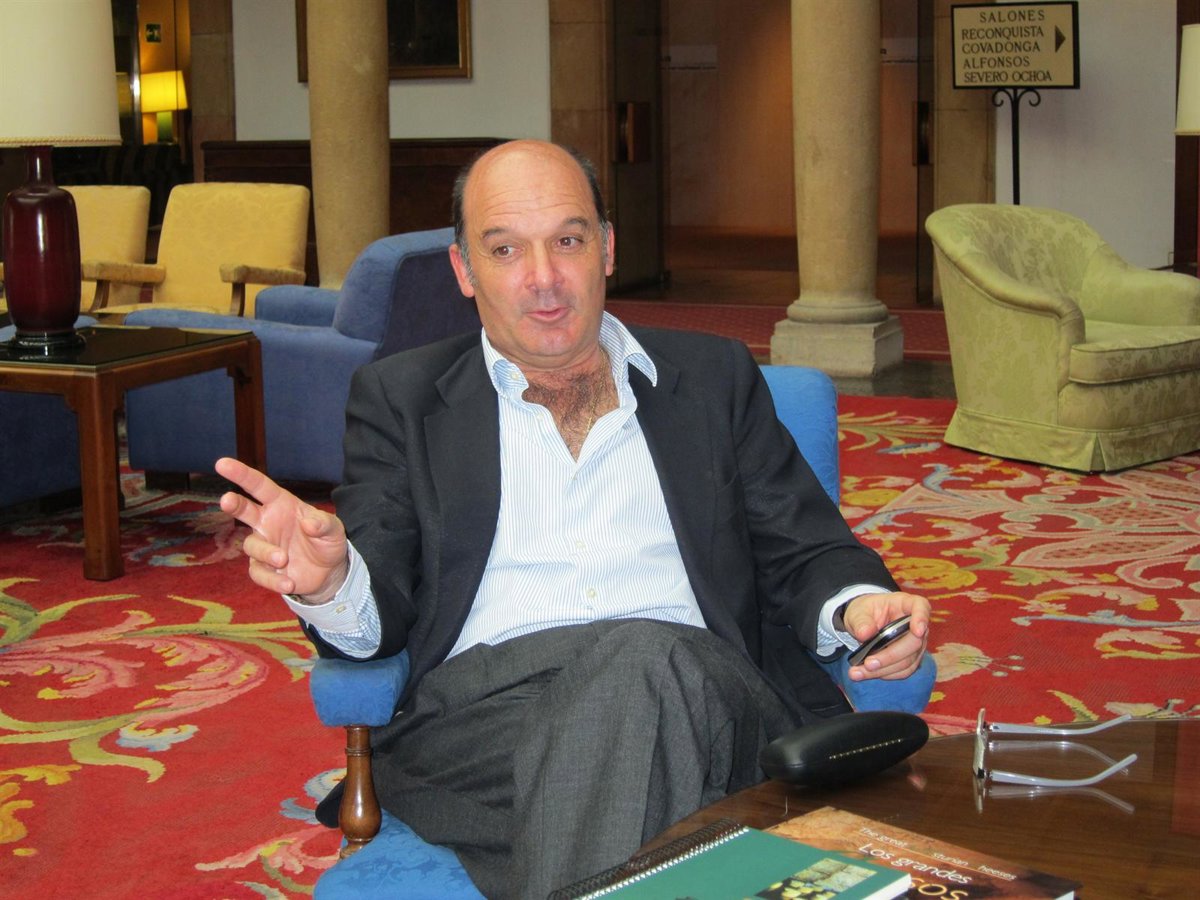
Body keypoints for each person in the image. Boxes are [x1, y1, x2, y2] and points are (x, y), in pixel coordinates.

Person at [217, 139, 934, 899]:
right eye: (504, 249)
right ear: (464, 269)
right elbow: (380, 601)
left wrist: (857, 606)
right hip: (482, 720)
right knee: (637, 722)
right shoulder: (400, 398)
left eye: (568, 240)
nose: (543, 278)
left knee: (643, 665)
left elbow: (806, 548)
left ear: (607, 249)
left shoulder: (713, 378)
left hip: (708, 694)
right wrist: (332, 584)